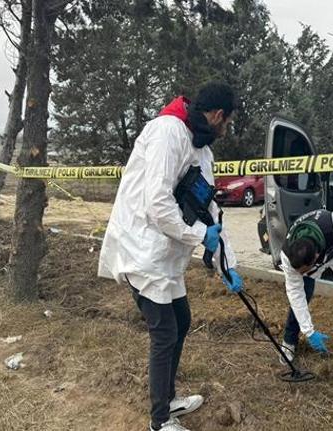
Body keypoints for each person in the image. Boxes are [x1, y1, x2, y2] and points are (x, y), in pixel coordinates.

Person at [98, 82, 242, 431]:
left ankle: (168, 398)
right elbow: (157, 204)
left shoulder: (202, 148)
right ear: (219, 115)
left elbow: (208, 208)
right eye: (229, 122)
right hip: (143, 248)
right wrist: (197, 237)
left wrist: (227, 260)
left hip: (165, 254)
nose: (227, 129)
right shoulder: (167, 132)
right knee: (164, 332)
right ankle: (159, 421)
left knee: (182, 319)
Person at [278, 209, 333, 363]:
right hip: (315, 259)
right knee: (303, 296)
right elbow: (296, 295)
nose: (299, 274)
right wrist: (309, 332)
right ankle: (289, 343)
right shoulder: (288, 257)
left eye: (303, 271)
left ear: (315, 258)